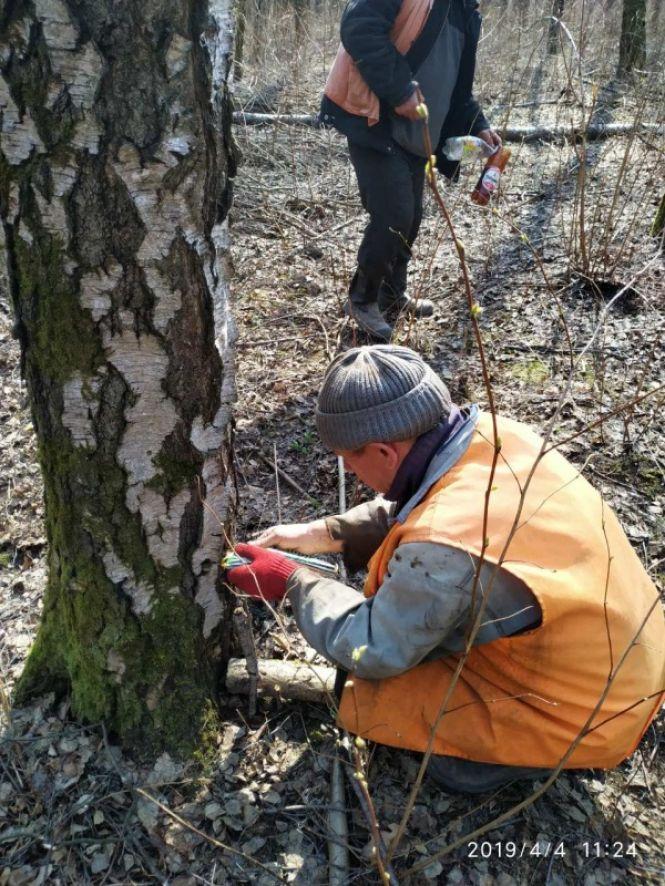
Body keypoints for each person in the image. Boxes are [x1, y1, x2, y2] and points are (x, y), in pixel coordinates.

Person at [226, 346, 665, 794]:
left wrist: (294, 581)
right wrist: (326, 532)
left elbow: (374, 646)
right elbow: (432, 500)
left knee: (429, 740)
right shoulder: (495, 435)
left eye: (347, 457)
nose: (346, 469)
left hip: (596, 709)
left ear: (383, 451)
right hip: (632, 653)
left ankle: (540, 752)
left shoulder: (444, 553)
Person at [320, 0, 501, 341]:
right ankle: (362, 299)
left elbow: (459, 91)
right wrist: (399, 88)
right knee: (394, 215)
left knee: (411, 217)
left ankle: (391, 293)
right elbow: (359, 25)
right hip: (375, 120)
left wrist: (479, 124)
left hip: (417, 137)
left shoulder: (466, 15)